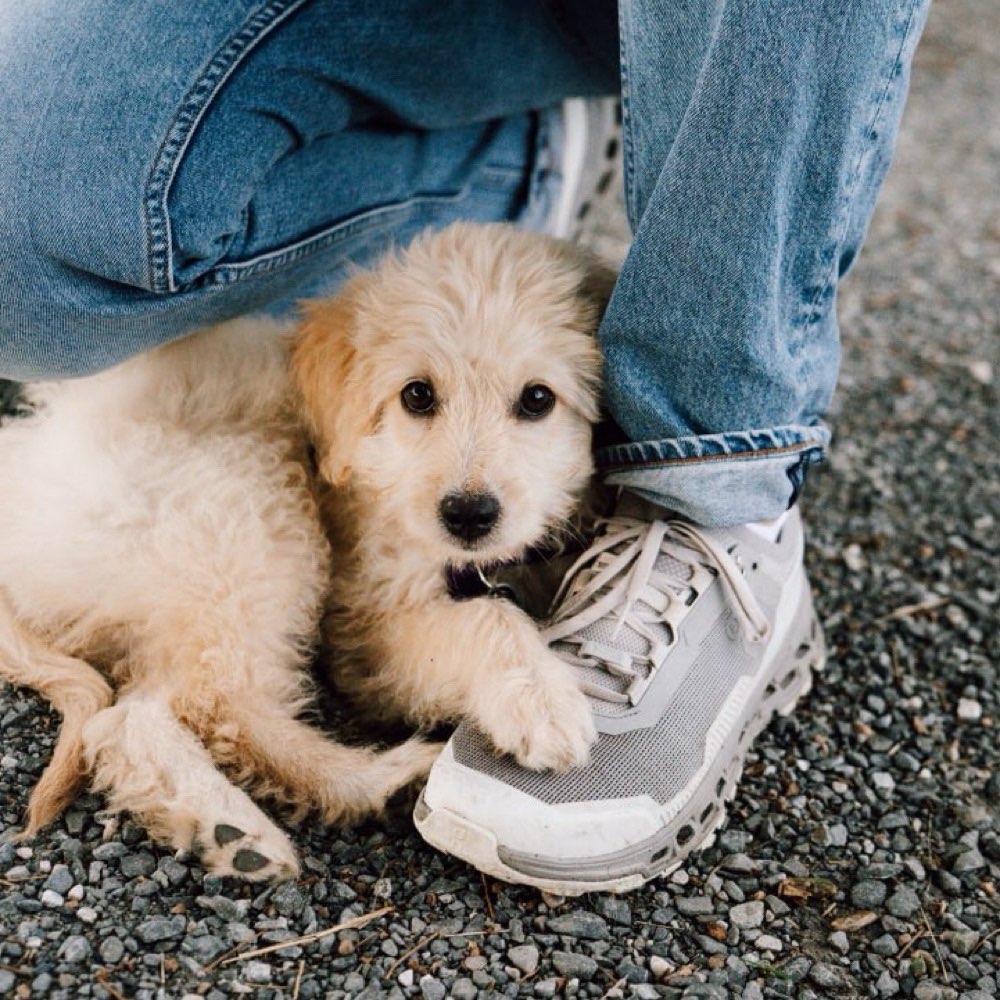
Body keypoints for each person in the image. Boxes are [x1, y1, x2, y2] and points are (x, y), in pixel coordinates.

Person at [0, 0, 930, 892]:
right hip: (134, 473)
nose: (470, 482)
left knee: (227, 611)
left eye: (536, 401)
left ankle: (151, 733)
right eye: (418, 399)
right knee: (253, 538)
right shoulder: (325, 400)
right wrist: (493, 650)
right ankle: (247, 742)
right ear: (358, 400)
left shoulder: (574, 366)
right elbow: (380, 644)